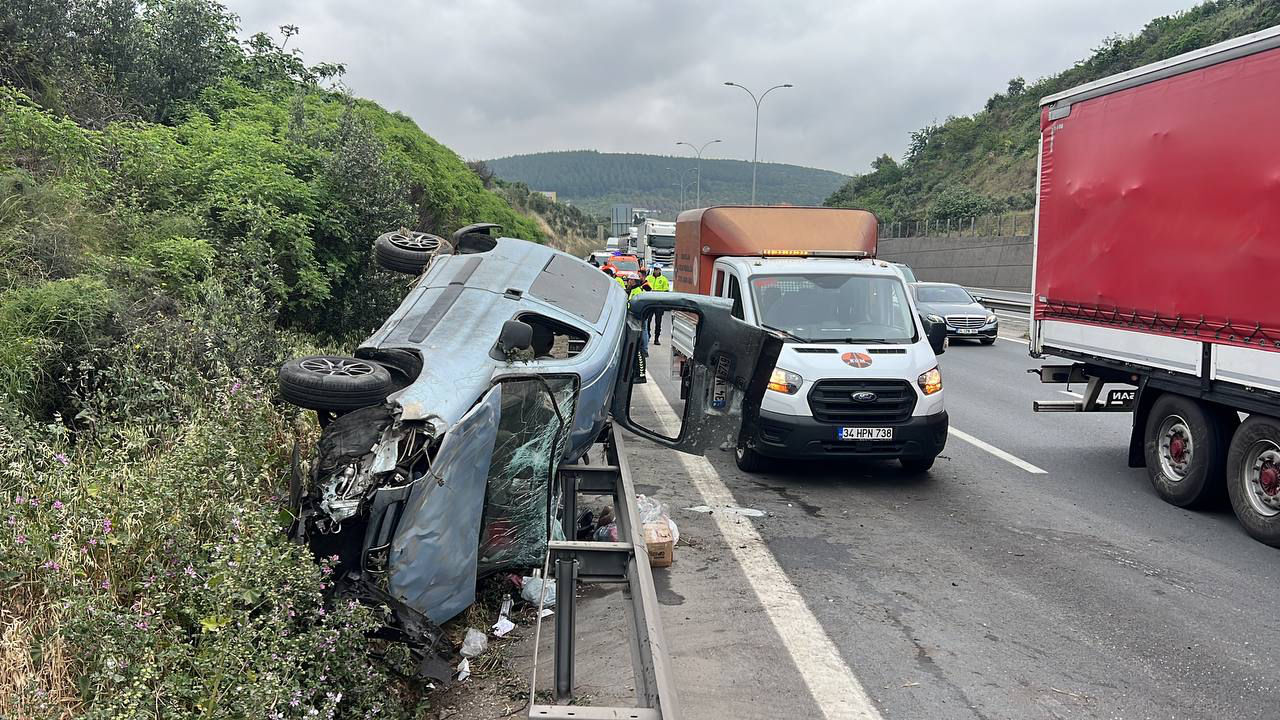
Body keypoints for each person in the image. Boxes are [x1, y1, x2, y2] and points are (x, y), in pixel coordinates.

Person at [647, 265, 670, 344]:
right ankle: (648, 335)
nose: (656, 271)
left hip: (659, 304)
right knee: (648, 321)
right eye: (654, 269)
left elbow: (666, 292)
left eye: (657, 269)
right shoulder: (648, 278)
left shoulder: (664, 280)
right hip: (649, 303)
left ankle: (656, 338)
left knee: (658, 322)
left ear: (660, 270)